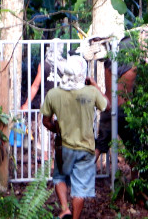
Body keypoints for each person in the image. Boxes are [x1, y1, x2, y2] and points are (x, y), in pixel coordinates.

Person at [41, 56, 107, 219]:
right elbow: (106, 105)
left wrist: (56, 128)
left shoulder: (53, 94)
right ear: (82, 74)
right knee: (80, 189)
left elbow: (46, 121)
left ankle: (65, 209)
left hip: (64, 148)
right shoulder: (91, 92)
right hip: (86, 149)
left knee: (59, 177)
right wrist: (94, 84)